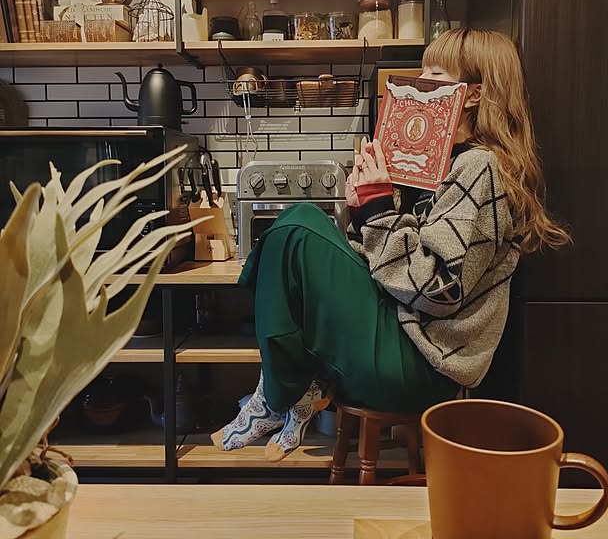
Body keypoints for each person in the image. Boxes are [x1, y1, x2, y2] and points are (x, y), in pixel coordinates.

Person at [210, 28, 571, 462]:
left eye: (435, 73)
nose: (420, 81)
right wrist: (364, 209)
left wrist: (378, 208)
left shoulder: (479, 168)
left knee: (297, 227)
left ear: (473, 94)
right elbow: (382, 266)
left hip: (423, 364)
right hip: (398, 337)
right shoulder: (433, 164)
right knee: (298, 223)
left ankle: (281, 391)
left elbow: (438, 293)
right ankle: (290, 388)